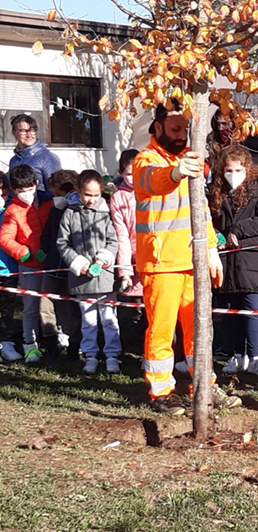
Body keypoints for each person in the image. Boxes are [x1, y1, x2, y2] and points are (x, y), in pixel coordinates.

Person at [133, 100, 229, 415]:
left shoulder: (188, 160)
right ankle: (161, 392)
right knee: (161, 329)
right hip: (161, 263)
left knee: (200, 328)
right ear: (157, 127)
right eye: (174, 129)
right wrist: (175, 171)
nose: (180, 135)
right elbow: (153, 180)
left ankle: (205, 385)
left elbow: (200, 209)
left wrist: (212, 248)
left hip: (193, 260)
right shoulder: (144, 160)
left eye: (184, 129)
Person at [209, 145, 258, 378]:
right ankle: (237, 355)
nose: (233, 174)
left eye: (238, 170)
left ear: (247, 169)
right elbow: (212, 222)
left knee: (252, 309)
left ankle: (255, 356)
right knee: (230, 311)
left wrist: (238, 229)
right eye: (228, 170)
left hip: (250, 260)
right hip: (225, 261)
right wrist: (216, 236)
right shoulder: (216, 193)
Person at [56, 170, 122, 374]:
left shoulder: (107, 213)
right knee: (88, 320)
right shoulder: (70, 213)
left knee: (109, 319)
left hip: (105, 277)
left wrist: (103, 258)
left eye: (96, 195)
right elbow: (62, 242)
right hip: (81, 278)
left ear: (101, 192)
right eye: (87, 195)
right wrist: (77, 262)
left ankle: (112, 355)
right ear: (78, 190)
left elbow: (113, 241)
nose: (91, 199)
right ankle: (90, 355)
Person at [0, 165, 57, 363]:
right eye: (21, 191)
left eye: (29, 189)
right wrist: (24, 253)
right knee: (30, 307)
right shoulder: (12, 211)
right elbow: (5, 238)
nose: (26, 194)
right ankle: (30, 345)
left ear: (36, 183)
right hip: (29, 267)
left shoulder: (49, 203)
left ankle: (59, 340)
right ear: (15, 190)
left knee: (56, 303)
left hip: (52, 264)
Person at [40, 169, 82, 361]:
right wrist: (46, 251)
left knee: (72, 308)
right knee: (46, 305)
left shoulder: (78, 209)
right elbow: (48, 234)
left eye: (56, 191)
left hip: (72, 267)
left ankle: (75, 345)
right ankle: (50, 344)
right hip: (52, 266)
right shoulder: (56, 210)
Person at [109, 149, 143, 301]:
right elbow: (122, 237)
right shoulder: (118, 198)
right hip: (133, 259)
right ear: (121, 173)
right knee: (137, 308)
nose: (134, 178)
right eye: (129, 174)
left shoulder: (154, 191)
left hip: (156, 258)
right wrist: (125, 271)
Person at [9, 114, 61, 194]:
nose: (29, 135)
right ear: (14, 133)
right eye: (23, 131)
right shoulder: (14, 160)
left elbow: (55, 191)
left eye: (32, 130)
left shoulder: (47, 158)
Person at [0, 171, 21, 362]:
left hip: (8, 271)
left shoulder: (10, 211)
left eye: (4, 193)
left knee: (8, 309)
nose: (1, 197)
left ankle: (7, 342)